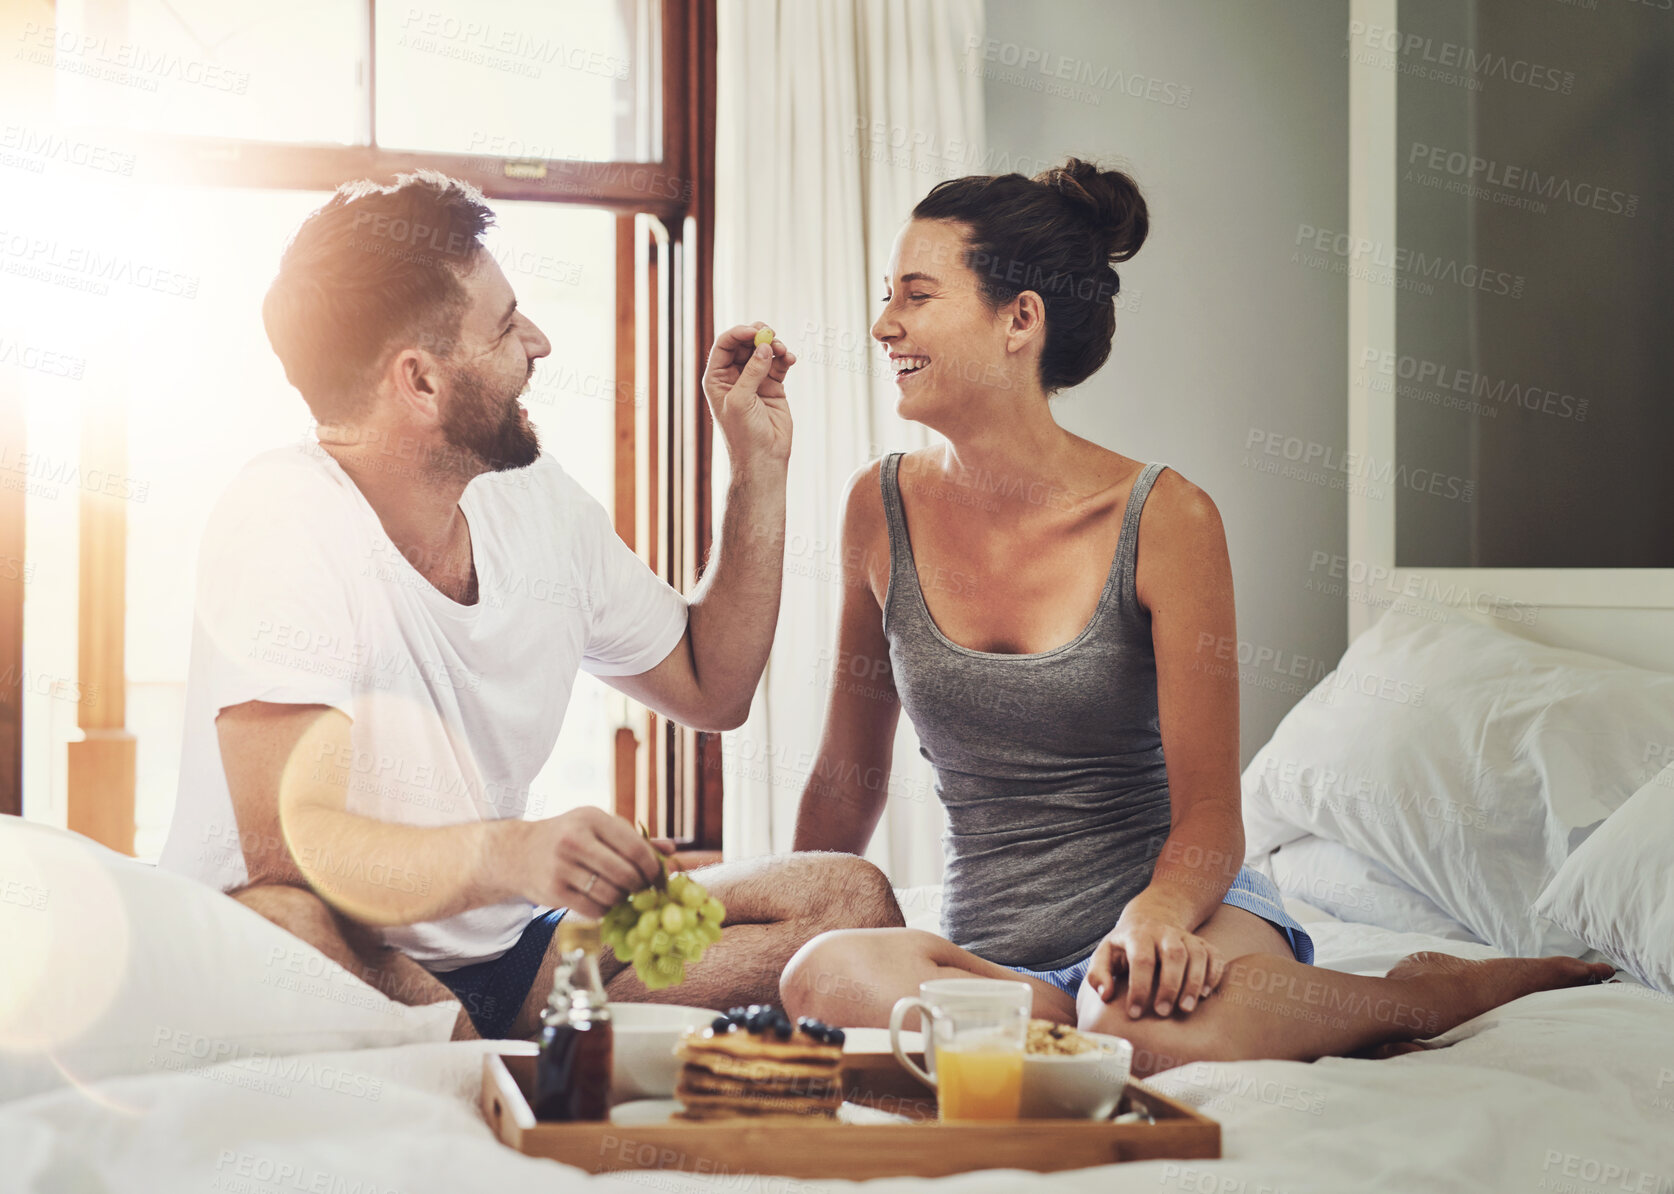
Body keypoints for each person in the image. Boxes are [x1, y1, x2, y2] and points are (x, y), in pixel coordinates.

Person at [779, 159, 1609, 1074]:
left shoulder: (1165, 518)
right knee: (821, 973)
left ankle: (1421, 992)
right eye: (887, 295)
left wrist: (1158, 917)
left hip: (1178, 926)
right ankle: (1072, 1032)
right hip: (998, 960)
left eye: (916, 295)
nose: (883, 323)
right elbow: (846, 777)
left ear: (1021, 318)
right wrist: (793, 909)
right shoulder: (879, 505)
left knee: (1132, 1029)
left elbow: (1214, 812)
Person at [158, 171, 902, 1042]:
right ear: (422, 382)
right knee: (281, 922)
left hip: (514, 960)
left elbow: (713, 684)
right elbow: (294, 857)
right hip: (341, 957)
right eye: (507, 327)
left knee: (843, 899)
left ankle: (494, 1063)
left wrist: (757, 468)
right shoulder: (282, 520)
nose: (539, 344)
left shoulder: (531, 500)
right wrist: (517, 853)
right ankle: (484, 1076)